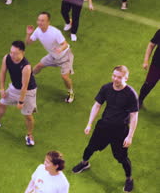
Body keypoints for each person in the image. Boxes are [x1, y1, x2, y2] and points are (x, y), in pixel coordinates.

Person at [72, 65, 138, 193]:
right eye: (114, 76)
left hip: (120, 131)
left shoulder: (130, 94)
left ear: (126, 78)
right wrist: (89, 124)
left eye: (119, 77)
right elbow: (97, 105)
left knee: (122, 158)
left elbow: (134, 116)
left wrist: (130, 136)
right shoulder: (106, 88)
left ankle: (129, 179)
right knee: (90, 147)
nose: (115, 79)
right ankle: (84, 163)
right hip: (103, 127)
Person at [0, 41, 38, 146]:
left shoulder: (26, 67)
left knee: (27, 115)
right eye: (11, 52)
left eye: (15, 53)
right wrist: (1, 88)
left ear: (22, 52)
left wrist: (21, 101)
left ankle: (29, 135)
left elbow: (24, 86)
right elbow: (3, 72)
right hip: (14, 87)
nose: (12, 55)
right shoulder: (7, 58)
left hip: (28, 92)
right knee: (2, 103)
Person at [25, 12, 75, 103]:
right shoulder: (37, 30)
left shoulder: (55, 32)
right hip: (53, 55)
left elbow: (65, 44)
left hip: (65, 56)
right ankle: (29, 79)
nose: (40, 22)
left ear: (48, 22)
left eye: (42, 20)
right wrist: (28, 34)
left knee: (64, 77)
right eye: (39, 20)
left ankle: (70, 92)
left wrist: (60, 49)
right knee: (39, 66)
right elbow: (28, 43)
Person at [139, 29, 160, 108]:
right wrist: (146, 61)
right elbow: (151, 45)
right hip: (157, 65)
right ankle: (139, 101)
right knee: (148, 84)